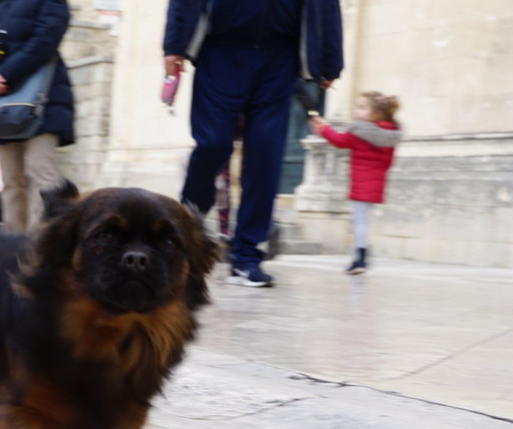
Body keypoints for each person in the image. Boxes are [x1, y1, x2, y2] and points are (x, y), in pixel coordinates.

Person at [163, 0, 343, 287]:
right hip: (220, 50)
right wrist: (174, 44)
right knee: (212, 144)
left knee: (265, 156)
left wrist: (330, 57)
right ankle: (184, 228)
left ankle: (247, 256)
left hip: (280, 57)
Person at [0, 0, 74, 233]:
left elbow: (45, 39)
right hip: (3, 104)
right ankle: (13, 248)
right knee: (10, 181)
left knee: (43, 177)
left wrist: (3, 75)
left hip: (42, 100)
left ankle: (39, 249)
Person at [310, 92, 402, 275]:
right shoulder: (390, 135)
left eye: (361, 108)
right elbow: (389, 162)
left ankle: (360, 257)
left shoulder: (360, 131)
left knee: (359, 222)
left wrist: (323, 129)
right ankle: (361, 253)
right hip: (376, 184)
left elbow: (339, 141)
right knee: (363, 221)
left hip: (361, 184)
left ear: (374, 114)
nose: (356, 111)